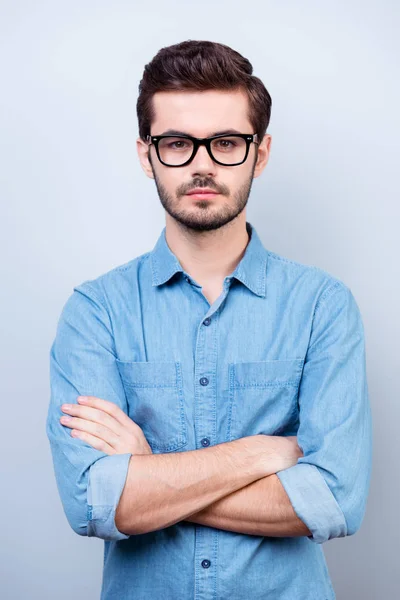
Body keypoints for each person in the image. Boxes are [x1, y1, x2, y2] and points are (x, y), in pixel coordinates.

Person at [46, 40, 372, 600]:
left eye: (225, 142)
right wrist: (263, 453)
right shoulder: (95, 310)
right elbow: (94, 502)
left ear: (260, 154)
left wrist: (151, 471)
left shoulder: (323, 306)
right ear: (147, 154)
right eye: (176, 143)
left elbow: (335, 500)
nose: (201, 165)